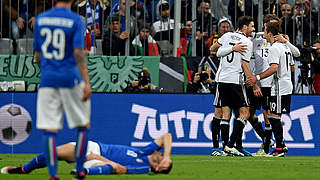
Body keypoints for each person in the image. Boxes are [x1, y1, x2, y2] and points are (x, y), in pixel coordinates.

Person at [32, 0, 91, 179]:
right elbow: (78, 53)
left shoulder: (40, 19)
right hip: (71, 77)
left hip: (48, 79)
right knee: (82, 125)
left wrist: (48, 72)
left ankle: (53, 174)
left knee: (49, 130)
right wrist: (86, 82)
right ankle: (80, 170)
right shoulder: (76, 20)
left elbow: (37, 55)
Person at [1, 133, 173, 175]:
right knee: (53, 152)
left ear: (157, 168)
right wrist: (168, 156)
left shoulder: (143, 167)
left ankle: (83, 172)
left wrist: (98, 158)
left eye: (165, 161)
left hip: (97, 158)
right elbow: (167, 136)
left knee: (106, 167)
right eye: (164, 156)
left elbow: (120, 169)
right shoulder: (144, 152)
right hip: (94, 148)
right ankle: (23, 169)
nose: (162, 153)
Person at [249, 14, 300, 156]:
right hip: (284, 84)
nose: (263, 33)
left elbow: (273, 69)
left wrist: (256, 77)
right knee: (272, 115)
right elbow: (292, 65)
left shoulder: (275, 48)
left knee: (273, 116)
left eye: (265, 31)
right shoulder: (284, 46)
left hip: (278, 86)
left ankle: (278, 148)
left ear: (269, 33)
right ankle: (281, 145)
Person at [213, 16, 259, 156]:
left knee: (225, 113)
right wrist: (254, 84)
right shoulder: (246, 42)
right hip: (235, 80)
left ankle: (224, 147)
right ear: (244, 27)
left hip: (221, 79)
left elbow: (213, 48)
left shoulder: (226, 35)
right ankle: (231, 146)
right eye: (251, 26)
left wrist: (229, 47)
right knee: (244, 113)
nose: (253, 29)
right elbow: (245, 64)